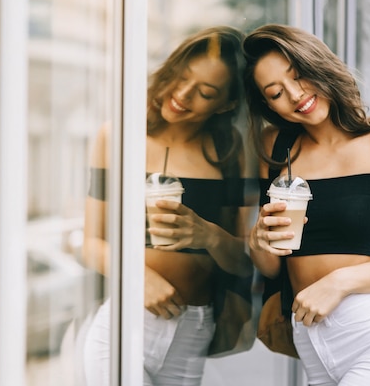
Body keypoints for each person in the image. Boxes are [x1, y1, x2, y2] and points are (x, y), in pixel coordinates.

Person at [244, 24, 370, 386]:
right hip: (311, 345)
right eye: (276, 92)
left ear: (318, 64)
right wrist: (258, 241)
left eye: (299, 75)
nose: (294, 95)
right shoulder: (277, 150)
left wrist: (340, 281)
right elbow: (274, 268)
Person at [82, 26, 255, 386]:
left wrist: (208, 235)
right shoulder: (116, 137)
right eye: (182, 77)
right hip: (127, 321)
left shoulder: (229, 151)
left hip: (193, 331)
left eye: (205, 92)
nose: (182, 94)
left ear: (226, 104)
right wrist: (137, 277)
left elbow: (241, 260)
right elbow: (91, 243)